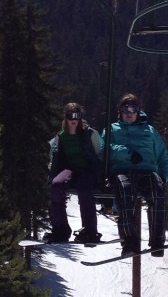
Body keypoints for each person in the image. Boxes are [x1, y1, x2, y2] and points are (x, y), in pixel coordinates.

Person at [101, 93, 168, 257]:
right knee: (124, 192)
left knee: (158, 193)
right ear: (120, 111)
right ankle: (129, 241)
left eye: (133, 109)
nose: (129, 113)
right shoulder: (111, 130)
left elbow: (162, 155)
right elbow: (105, 150)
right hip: (122, 170)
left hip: (147, 170)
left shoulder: (150, 130)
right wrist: (127, 154)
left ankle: (157, 241)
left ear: (139, 111)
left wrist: (164, 177)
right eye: (126, 109)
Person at [46, 102, 102, 244]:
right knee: (56, 186)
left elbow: (100, 152)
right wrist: (52, 175)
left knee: (85, 190)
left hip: (86, 169)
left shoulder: (90, 134)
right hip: (69, 169)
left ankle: (89, 229)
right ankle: (61, 229)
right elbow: (54, 156)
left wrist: (100, 174)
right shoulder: (60, 137)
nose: (73, 120)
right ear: (65, 118)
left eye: (77, 116)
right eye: (70, 116)